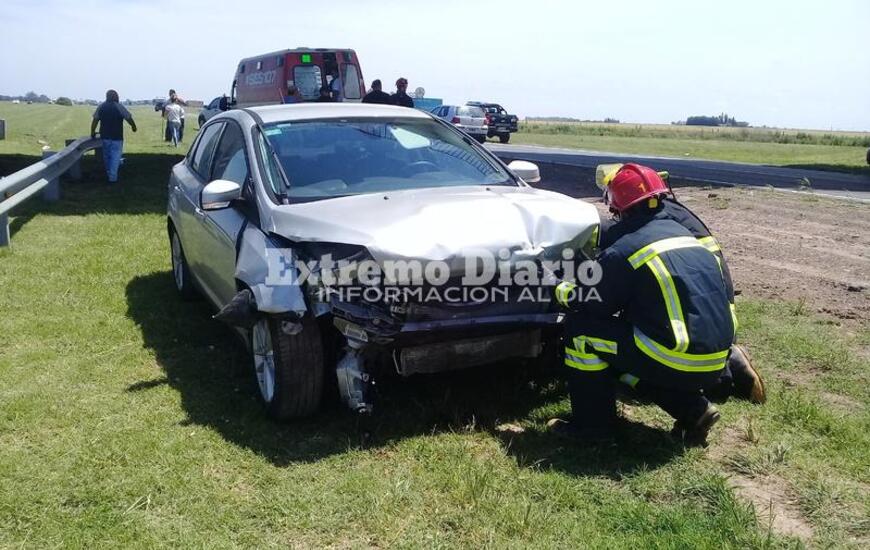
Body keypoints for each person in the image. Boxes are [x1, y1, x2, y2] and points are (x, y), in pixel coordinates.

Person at [547, 163, 765, 446]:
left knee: (582, 332)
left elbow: (589, 303)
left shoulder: (626, 249)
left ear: (617, 208)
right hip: (718, 363)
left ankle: (592, 428)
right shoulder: (687, 235)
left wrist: (555, 285)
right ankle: (693, 409)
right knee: (629, 346)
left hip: (677, 359)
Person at [594, 163, 765, 404]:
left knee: (636, 322)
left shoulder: (644, 224)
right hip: (717, 313)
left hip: (691, 318)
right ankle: (725, 363)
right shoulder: (672, 214)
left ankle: (725, 373)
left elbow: (619, 257)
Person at [90, 89, 137, 184]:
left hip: (104, 136)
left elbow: (95, 120)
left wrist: (92, 131)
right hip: (117, 137)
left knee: (107, 156)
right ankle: (112, 178)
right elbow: (128, 118)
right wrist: (133, 126)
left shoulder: (101, 106)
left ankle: (109, 173)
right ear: (116, 97)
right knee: (115, 157)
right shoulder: (119, 106)